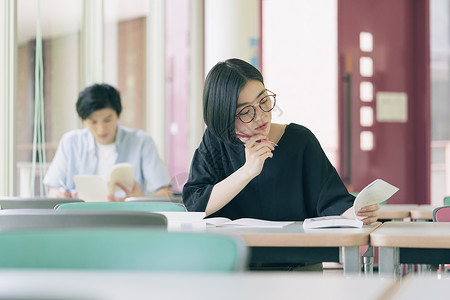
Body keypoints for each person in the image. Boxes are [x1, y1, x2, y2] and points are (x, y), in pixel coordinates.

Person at [182, 58, 380, 223]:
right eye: (246, 112)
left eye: (263, 101)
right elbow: (196, 206)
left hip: (295, 262)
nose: (260, 116)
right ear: (223, 118)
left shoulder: (300, 141)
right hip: (238, 261)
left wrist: (357, 214)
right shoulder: (215, 142)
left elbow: (333, 202)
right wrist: (247, 172)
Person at [44, 83, 172, 201]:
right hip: (80, 219)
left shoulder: (141, 142)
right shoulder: (70, 142)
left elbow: (166, 193)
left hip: (127, 219)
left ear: (118, 114)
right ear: (83, 120)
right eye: (93, 122)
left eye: (107, 120)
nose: (101, 129)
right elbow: (53, 190)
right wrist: (59, 194)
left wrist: (140, 199)